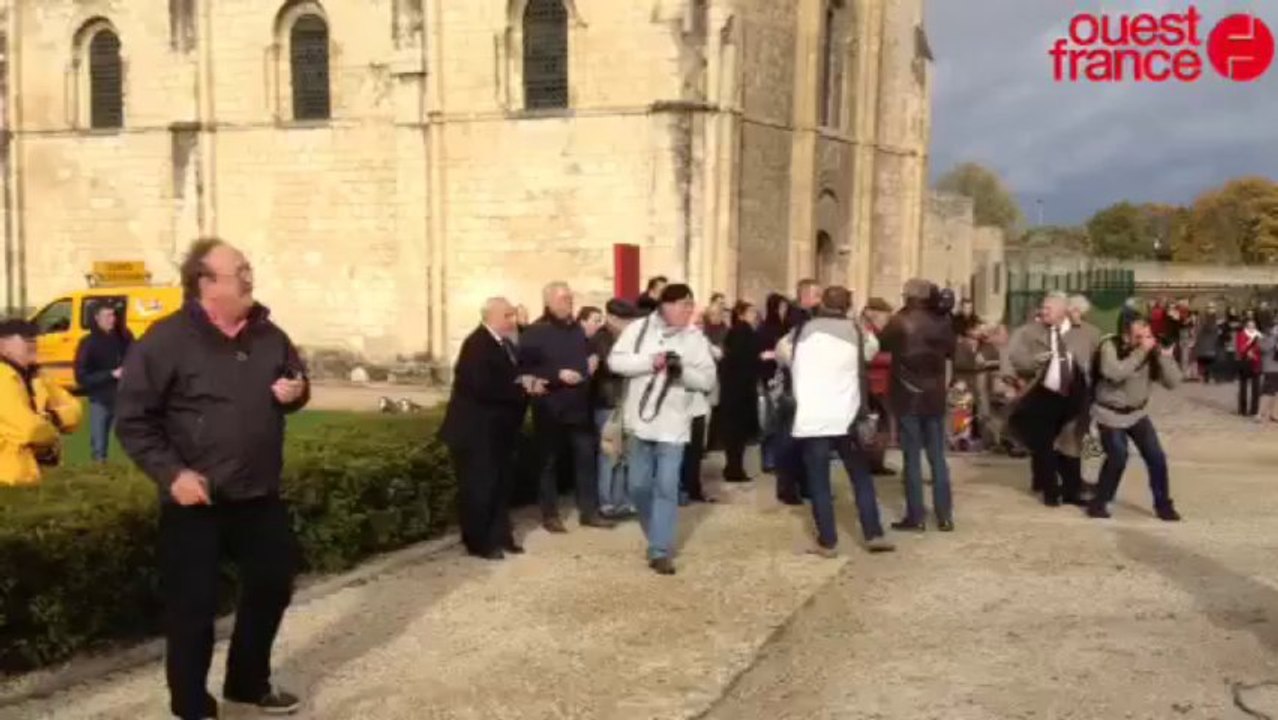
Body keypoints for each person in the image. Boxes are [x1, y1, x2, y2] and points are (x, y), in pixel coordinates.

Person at [115, 239, 309, 720]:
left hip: (257, 492)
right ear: (205, 283)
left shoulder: (270, 335)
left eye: (248, 267)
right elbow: (134, 420)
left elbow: (294, 379)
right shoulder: (164, 341)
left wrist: (296, 391)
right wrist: (172, 473)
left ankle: (247, 682)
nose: (249, 276)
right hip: (194, 499)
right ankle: (192, 704)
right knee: (193, 608)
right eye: (238, 270)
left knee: (272, 584)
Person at [608, 283, 717, 575]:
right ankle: (655, 530)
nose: (688, 311)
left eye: (690, 306)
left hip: (674, 424)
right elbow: (615, 362)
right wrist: (650, 362)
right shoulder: (639, 330)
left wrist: (681, 371)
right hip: (640, 422)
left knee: (667, 486)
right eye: (683, 305)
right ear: (665, 306)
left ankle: (660, 549)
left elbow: (707, 380)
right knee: (639, 486)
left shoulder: (695, 339)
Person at [777, 285, 894, 555]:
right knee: (860, 477)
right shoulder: (857, 333)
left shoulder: (800, 332)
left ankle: (828, 541)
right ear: (848, 307)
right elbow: (872, 350)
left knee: (819, 479)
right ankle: (873, 533)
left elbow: (783, 353)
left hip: (812, 415)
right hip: (847, 415)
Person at [440, 297, 543, 560]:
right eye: (507, 315)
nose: (513, 320)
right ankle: (479, 541)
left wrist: (523, 381)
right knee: (479, 487)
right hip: (475, 432)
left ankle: (500, 535)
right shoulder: (476, 344)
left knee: (500, 485)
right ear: (492, 317)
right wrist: (521, 388)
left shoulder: (504, 344)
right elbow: (482, 387)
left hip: (498, 431)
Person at [519, 282, 613, 533]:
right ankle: (550, 514)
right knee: (548, 462)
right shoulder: (535, 331)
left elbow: (591, 349)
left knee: (586, 458)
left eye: (570, 299)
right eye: (563, 299)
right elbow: (524, 369)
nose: (568, 303)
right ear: (548, 301)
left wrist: (593, 357)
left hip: (579, 406)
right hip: (550, 405)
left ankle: (589, 511)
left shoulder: (576, 329)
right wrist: (556, 374)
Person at [878, 279, 956, 532]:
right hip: (934, 394)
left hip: (908, 394)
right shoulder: (943, 321)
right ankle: (945, 515)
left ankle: (916, 516)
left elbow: (882, 343)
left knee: (911, 458)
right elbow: (951, 351)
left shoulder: (901, 321)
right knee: (937, 458)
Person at [1086, 319, 1182, 521]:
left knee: (1156, 457)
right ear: (1126, 336)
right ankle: (1099, 503)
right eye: (1139, 337)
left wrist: (1165, 358)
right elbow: (1115, 373)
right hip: (1109, 413)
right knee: (1118, 457)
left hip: (1137, 413)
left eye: (1147, 336)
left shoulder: (1150, 353)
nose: (1144, 341)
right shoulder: (1109, 346)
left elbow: (1173, 383)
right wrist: (1141, 352)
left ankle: (1163, 505)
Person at [1008, 292, 1090, 507]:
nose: (1043, 312)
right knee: (1043, 443)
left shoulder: (1082, 333)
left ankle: (1072, 488)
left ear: (1063, 311)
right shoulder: (1027, 333)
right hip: (1042, 393)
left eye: (1048, 309)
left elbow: (1093, 361)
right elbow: (1015, 358)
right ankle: (1050, 490)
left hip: (1073, 395)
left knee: (1070, 442)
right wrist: (1034, 361)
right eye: (1042, 308)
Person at [0, 319, 82, 485]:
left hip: (32, 475)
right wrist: (53, 428)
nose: (33, 342)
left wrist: (53, 417)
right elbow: (28, 430)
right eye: (25, 338)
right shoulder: (3, 377)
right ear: (3, 345)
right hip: (7, 479)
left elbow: (76, 410)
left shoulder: (38, 375)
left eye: (34, 337)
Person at [590, 298, 641, 518]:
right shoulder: (601, 338)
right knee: (608, 453)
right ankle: (606, 501)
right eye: (624, 320)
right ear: (611, 318)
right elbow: (611, 366)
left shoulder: (627, 337)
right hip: (607, 402)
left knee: (624, 455)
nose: (628, 324)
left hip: (625, 401)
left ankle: (622, 500)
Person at [74, 303, 135, 462]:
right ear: (97, 318)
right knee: (99, 447)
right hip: (100, 400)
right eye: (107, 316)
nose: (111, 320)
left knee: (132, 443)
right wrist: (110, 374)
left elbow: (136, 358)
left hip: (123, 398)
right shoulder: (88, 343)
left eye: (113, 315)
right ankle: (99, 475)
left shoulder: (124, 338)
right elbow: (82, 376)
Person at [719, 301, 762, 482]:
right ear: (742, 314)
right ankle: (734, 469)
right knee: (737, 434)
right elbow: (743, 359)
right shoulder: (743, 332)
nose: (755, 315)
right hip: (740, 390)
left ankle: (734, 467)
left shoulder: (737, 332)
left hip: (734, 389)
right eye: (752, 311)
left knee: (735, 434)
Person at [1236, 319, 1263, 417]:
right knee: (1243, 387)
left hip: (1256, 363)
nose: (1251, 327)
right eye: (1249, 325)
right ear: (1246, 326)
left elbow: (1262, 348)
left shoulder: (1259, 336)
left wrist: (1255, 353)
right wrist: (1247, 350)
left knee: (1256, 388)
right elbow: (1240, 348)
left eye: (1253, 325)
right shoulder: (1241, 335)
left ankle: (1254, 409)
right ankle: (1242, 409)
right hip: (1245, 362)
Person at [1257, 322, 1278, 423]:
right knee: (1267, 392)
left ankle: (1273, 414)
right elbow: (1263, 348)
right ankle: (1260, 414)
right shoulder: (1265, 338)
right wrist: (1274, 338)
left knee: (1276, 393)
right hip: (1270, 368)